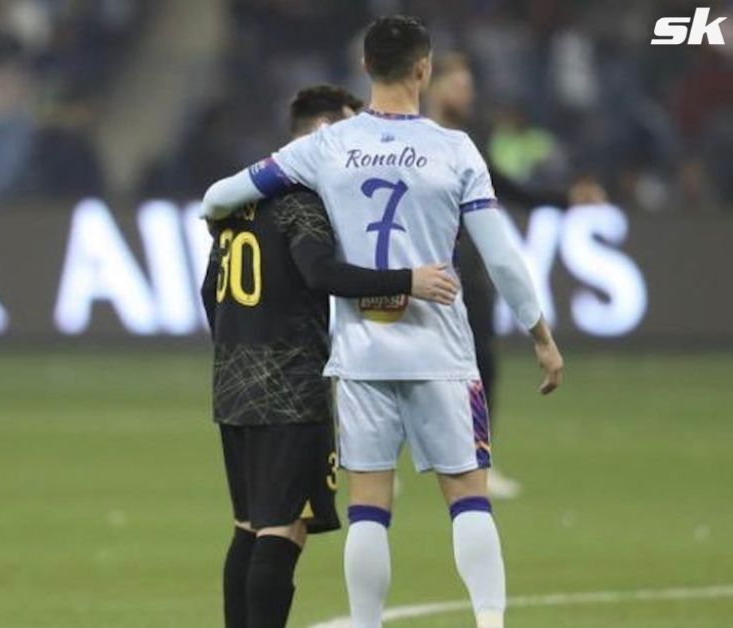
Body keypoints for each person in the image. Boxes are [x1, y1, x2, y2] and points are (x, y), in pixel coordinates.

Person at [200, 16, 564, 628]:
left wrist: (219, 218)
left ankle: (365, 624)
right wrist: (541, 336)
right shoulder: (455, 150)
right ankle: (491, 623)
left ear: (365, 68)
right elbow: (500, 254)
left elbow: (220, 195)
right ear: (424, 69)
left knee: (370, 508)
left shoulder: (324, 147)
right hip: (442, 353)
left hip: (361, 356)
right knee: (468, 497)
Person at [204, 85, 460, 628]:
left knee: (247, 526)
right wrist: (407, 280)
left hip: (232, 386)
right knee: (281, 531)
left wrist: (236, 348)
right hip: (291, 390)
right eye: (348, 130)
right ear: (323, 133)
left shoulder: (238, 202)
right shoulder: (303, 200)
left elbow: (211, 292)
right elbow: (320, 272)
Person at [427, 53, 604, 499]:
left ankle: (475, 458)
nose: (467, 95)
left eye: (470, 86)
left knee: (479, 361)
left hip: (461, 261)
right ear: (433, 85)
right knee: (419, 362)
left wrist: (566, 198)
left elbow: (506, 187)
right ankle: (405, 462)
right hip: (428, 264)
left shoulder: (467, 140)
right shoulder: (419, 137)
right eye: (459, 86)